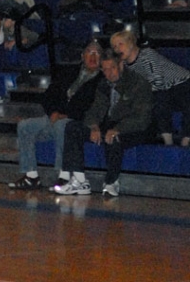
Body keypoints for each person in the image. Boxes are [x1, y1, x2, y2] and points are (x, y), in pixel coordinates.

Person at [55, 51, 153, 198]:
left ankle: (111, 182)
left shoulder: (138, 83)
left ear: (120, 65)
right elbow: (96, 109)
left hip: (135, 128)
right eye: (104, 70)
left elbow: (141, 117)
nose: (109, 73)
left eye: (112, 68)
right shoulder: (103, 84)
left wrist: (118, 129)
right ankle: (79, 180)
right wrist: (93, 125)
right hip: (109, 125)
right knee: (72, 127)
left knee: (114, 138)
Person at [9, 40, 104, 190]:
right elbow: (48, 96)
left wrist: (65, 115)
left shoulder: (102, 80)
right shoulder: (68, 72)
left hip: (76, 121)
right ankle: (31, 175)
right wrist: (53, 112)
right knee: (25, 126)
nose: (93, 56)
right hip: (55, 116)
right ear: (82, 55)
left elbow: (93, 107)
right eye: (89, 52)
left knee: (62, 126)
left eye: (97, 53)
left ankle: (64, 175)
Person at [110, 29, 190, 147]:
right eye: (114, 47)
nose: (117, 49)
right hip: (163, 91)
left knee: (162, 98)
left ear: (131, 43)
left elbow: (158, 83)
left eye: (120, 44)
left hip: (182, 82)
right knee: (158, 100)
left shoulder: (147, 55)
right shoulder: (125, 66)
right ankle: (167, 140)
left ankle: (186, 138)